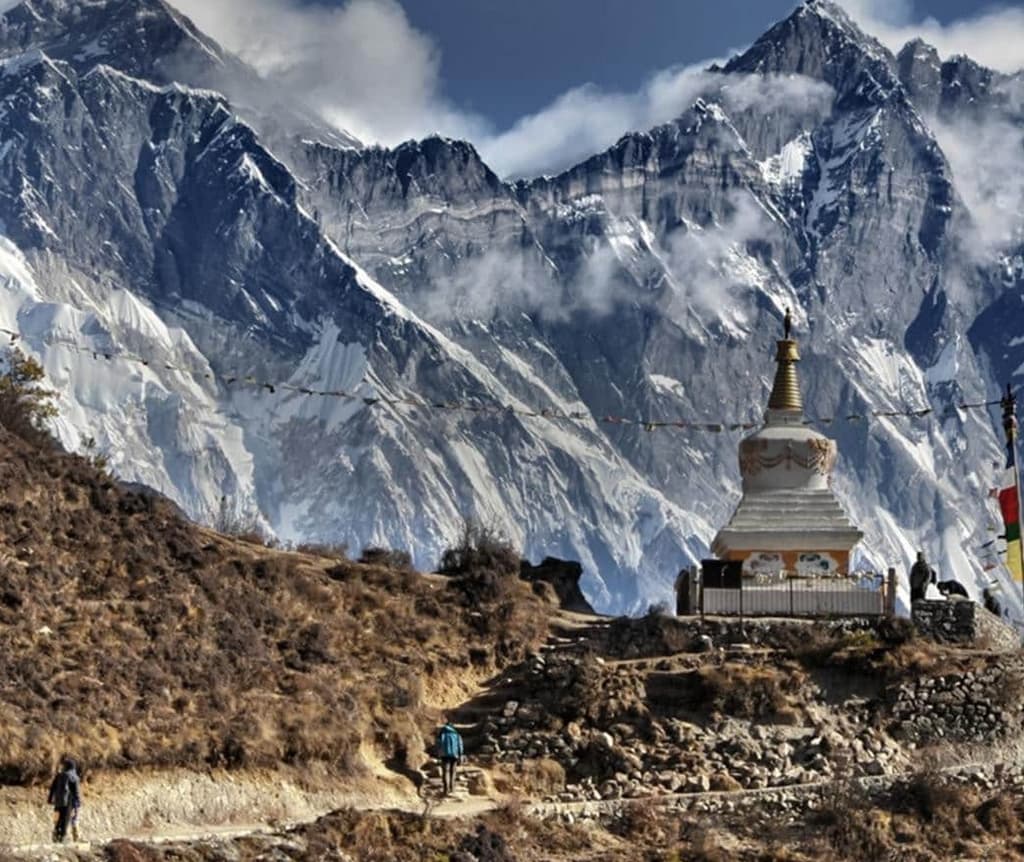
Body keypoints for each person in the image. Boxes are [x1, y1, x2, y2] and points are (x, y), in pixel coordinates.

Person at [47, 757, 81, 844]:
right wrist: (77, 803)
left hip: (58, 802)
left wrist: (50, 798)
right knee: (65, 819)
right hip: (68, 801)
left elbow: (52, 788)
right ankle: (62, 837)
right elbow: (76, 792)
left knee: (57, 819)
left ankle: (55, 834)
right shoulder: (74, 777)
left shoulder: (59, 775)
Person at [435, 717, 464, 796]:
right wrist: (460, 755)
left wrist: (438, 754)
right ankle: (452, 788)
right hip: (454, 755)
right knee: (453, 772)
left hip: (444, 755)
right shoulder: (456, 734)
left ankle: (446, 790)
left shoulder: (442, 734)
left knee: (446, 772)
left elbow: (438, 744)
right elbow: (460, 745)